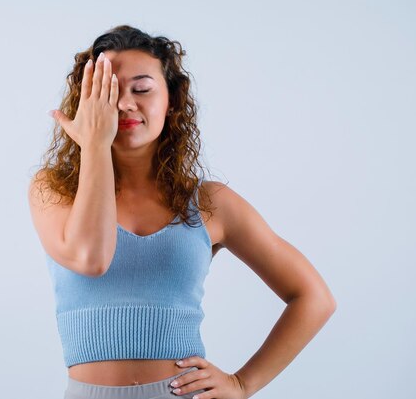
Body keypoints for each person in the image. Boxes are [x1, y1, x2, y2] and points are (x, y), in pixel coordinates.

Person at [28, 25, 336, 399]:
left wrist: (242, 383)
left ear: (171, 100)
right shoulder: (55, 189)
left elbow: (313, 297)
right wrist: (95, 145)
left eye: (141, 89)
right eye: (107, 92)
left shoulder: (210, 202)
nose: (125, 103)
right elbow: (90, 258)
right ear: (87, 102)